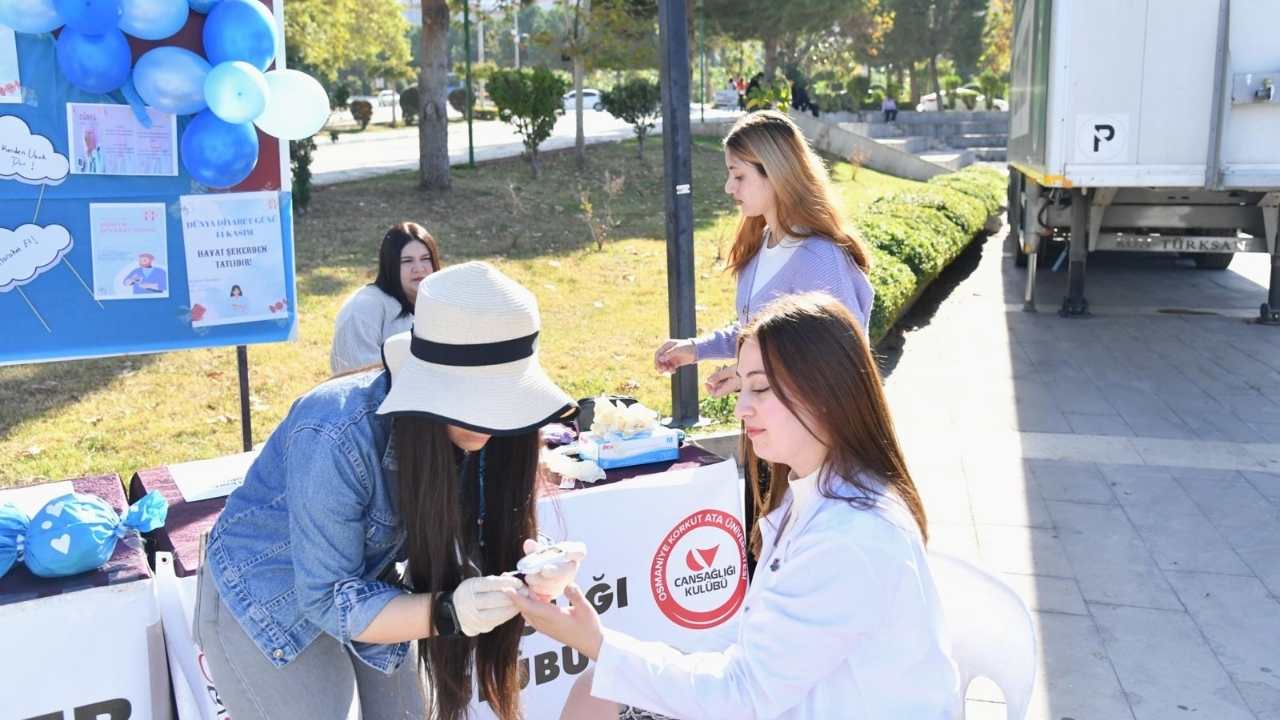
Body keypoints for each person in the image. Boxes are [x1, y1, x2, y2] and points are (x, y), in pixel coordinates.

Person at [512, 293, 959, 720]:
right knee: (597, 691)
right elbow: (745, 656)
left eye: (761, 388)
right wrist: (607, 648)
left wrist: (598, 642)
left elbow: (743, 694)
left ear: (828, 391)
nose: (742, 407)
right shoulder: (816, 494)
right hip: (781, 702)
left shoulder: (851, 536)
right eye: (742, 386)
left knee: (602, 688)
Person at [195, 262, 586, 720]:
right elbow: (325, 596)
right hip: (267, 598)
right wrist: (447, 612)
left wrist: (531, 572)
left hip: (368, 579)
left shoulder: (486, 434)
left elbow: (478, 535)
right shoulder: (334, 431)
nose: (494, 423)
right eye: (483, 402)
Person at [653, 110, 874, 399]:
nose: (729, 187)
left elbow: (842, 358)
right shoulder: (761, 244)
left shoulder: (820, 258)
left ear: (775, 173)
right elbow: (758, 333)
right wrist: (696, 349)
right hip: (767, 433)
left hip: (811, 437)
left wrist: (751, 374)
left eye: (739, 175)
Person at [331, 221, 441, 374]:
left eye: (425, 258)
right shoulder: (362, 309)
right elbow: (357, 380)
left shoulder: (441, 306)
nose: (419, 268)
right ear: (391, 266)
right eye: (407, 261)